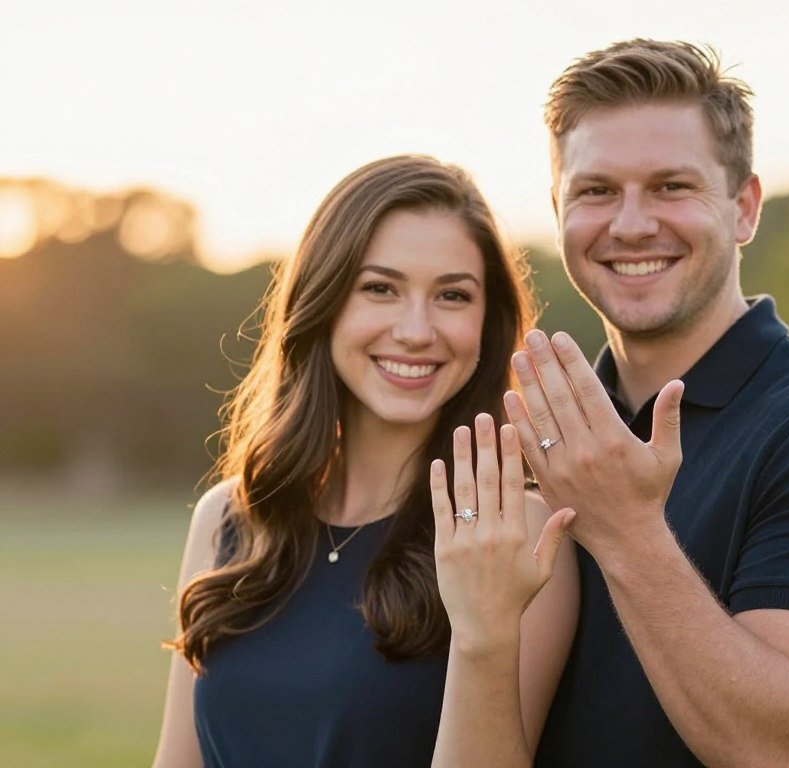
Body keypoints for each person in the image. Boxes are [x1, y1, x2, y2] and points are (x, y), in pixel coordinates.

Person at [502, 40, 789, 767]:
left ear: (744, 208)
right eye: (595, 191)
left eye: (671, 187)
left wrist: (625, 530)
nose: (631, 224)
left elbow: (775, 750)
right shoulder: (545, 425)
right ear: (557, 210)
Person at [152, 155, 578, 768]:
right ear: (323, 302)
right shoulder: (229, 518)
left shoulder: (519, 533)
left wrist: (484, 634)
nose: (415, 329)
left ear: (488, 323)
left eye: (452, 296)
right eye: (380, 288)